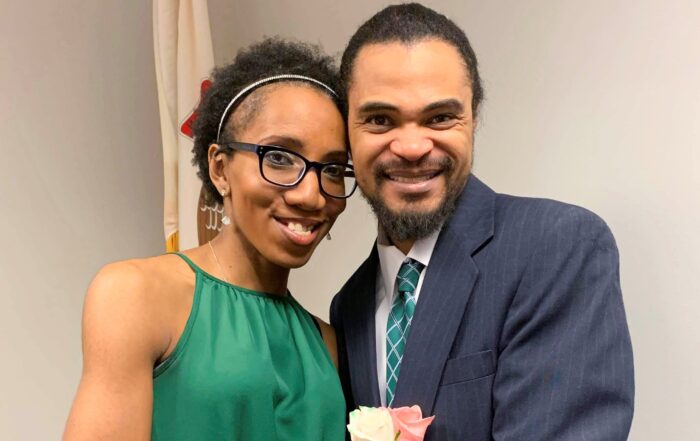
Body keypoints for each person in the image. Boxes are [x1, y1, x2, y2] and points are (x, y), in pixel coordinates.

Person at [330, 3, 634, 440]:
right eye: (380, 119)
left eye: (439, 117)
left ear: (474, 117)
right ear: (346, 132)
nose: (413, 146)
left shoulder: (557, 248)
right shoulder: (349, 306)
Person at [63, 38, 355, 441]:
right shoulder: (134, 295)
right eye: (280, 158)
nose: (312, 194)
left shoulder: (327, 344)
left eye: (334, 169)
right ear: (220, 168)